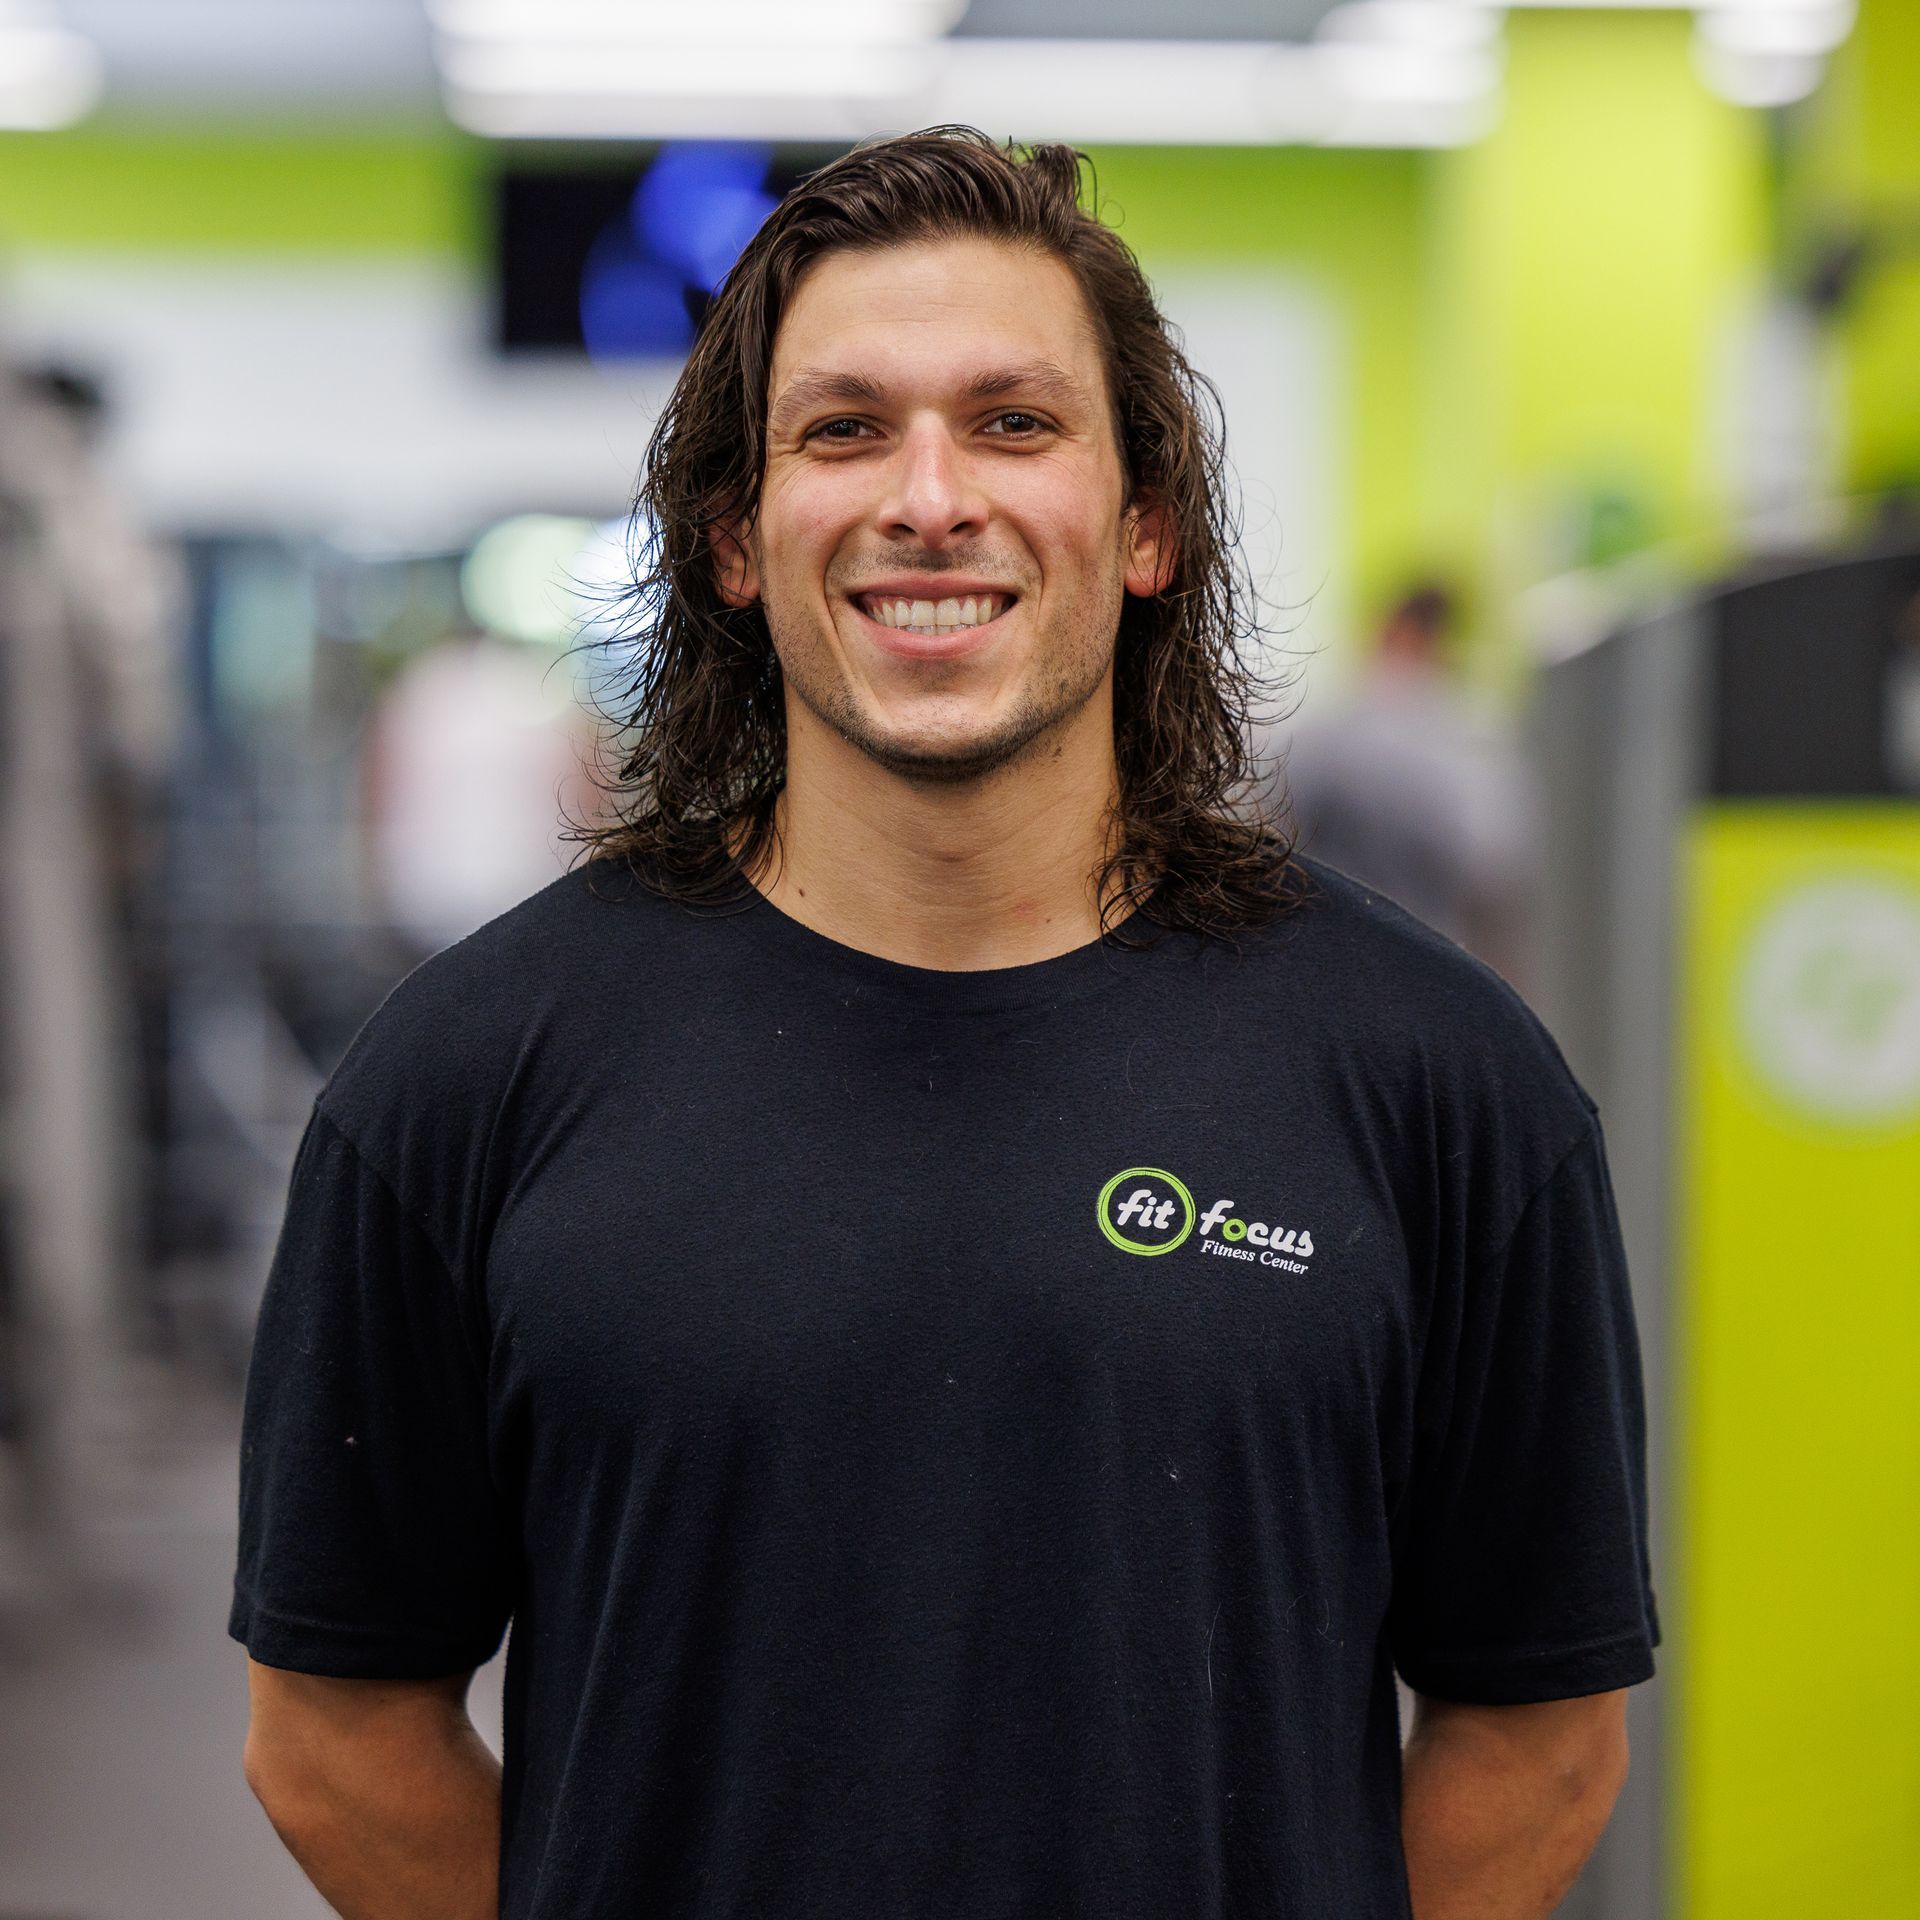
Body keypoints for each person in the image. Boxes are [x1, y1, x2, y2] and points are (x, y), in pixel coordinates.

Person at [232, 129, 1658, 1920]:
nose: (929, 496)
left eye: (1013, 422)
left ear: (1145, 524)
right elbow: (333, 1734)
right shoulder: (463, 1080)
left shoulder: (1444, 1084)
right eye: (845, 429)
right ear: (738, 542)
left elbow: (1540, 1732)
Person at [1273, 582, 1539, 989]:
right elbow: (1493, 863)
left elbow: (1271, 824)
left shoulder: (1322, 732)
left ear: (1388, 631)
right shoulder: (1462, 740)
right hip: (1432, 963)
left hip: (1328, 957)